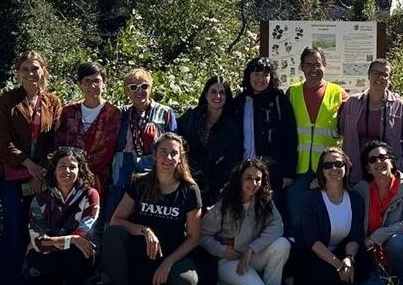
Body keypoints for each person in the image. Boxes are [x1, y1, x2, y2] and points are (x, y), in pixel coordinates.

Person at [0, 51, 63, 285]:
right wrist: (28, 165)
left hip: (41, 178)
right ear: (18, 72)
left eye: (35, 68)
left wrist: (41, 172)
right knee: (12, 233)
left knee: (38, 234)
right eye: (25, 69)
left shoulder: (53, 102)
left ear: (43, 70)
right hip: (12, 176)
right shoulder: (8, 100)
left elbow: (55, 141)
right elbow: (2, 141)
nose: (30, 74)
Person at [102, 132, 202, 285]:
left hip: (172, 254)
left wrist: (168, 262)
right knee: (113, 234)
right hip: (142, 252)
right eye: (163, 152)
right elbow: (116, 220)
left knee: (186, 282)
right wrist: (144, 230)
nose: (168, 157)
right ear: (154, 155)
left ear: (180, 158)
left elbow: (194, 237)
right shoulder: (140, 183)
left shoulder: (190, 190)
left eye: (173, 153)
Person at [199, 158, 290, 285]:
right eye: (248, 178)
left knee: (282, 244)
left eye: (258, 179)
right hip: (229, 260)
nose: (253, 184)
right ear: (239, 179)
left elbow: (277, 226)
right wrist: (223, 251)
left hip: (251, 256)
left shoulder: (264, 201)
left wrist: (252, 248)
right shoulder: (224, 205)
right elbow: (202, 236)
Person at [24, 148, 101, 285]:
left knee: (78, 251)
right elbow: (37, 241)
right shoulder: (40, 200)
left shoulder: (89, 196)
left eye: (72, 167)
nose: (67, 171)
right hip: (49, 257)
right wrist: (71, 239)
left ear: (79, 170)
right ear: (54, 169)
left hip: (77, 257)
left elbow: (85, 232)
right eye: (62, 166)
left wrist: (57, 241)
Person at [285, 47, 348, 236]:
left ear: (325, 66)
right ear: (302, 68)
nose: (313, 69)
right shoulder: (292, 92)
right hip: (298, 169)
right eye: (309, 64)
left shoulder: (339, 93)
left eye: (318, 64)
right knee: (296, 220)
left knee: (324, 220)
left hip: (328, 170)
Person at [293, 148, 366, 285]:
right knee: (319, 270)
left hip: (342, 253)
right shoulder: (311, 199)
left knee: (364, 259)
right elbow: (313, 241)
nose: (334, 169)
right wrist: (339, 265)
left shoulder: (356, 199)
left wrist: (349, 259)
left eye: (338, 164)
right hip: (316, 254)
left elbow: (355, 235)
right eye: (328, 165)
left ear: (346, 167)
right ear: (322, 171)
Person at [359, 139, 403, 285]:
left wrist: (378, 235)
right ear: (368, 168)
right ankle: (384, 281)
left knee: (397, 241)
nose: (378, 162)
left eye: (382, 157)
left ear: (391, 161)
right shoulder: (362, 189)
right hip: (376, 261)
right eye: (372, 160)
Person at [338, 58, 403, 185]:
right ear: (369, 75)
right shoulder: (352, 103)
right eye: (375, 72)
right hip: (355, 176)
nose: (379, 77)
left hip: (387, 178)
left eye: (384, 74)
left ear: (390, 78)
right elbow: (342, 131)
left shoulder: (399, 107)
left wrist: (397, 168)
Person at [109, 67, 178, 208]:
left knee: (148, 205)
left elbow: (175, 143)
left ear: (151, 88)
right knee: (117, 207)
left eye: (144, 86)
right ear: (127, 91)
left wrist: (156, 143)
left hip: (152, 165)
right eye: (133, 87)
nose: (139, 91)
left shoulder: (165, 112)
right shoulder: (120, 113)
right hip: (123, 167)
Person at [55, 61, 122, 201]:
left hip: (100, 180)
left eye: (97, 81)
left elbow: (108, 149)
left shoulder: (113, 113)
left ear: (104, 83)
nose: (92, 86)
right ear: (79, 84)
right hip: (68, 179)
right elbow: (60, 144)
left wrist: (84, 171)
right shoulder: (68, 111)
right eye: (87, 81)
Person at [233, 55, 297, 197]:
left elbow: (290, 138)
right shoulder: (239, 102)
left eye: (265, 75)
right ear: (248, 75)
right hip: (242, 169)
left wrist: (288, 172)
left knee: (269, 213)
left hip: (272, 171)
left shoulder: (279, 101)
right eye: (256, 74)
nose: (260, 79)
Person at [178, 75, 243, 205]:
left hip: (218, 186)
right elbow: (176, 140)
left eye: (222, 93)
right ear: (206, 95)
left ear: (227, 97)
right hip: (189, 180)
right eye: (213, 92)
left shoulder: (232, 125)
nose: (217, 96)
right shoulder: (192, 117)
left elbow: (234, 157)